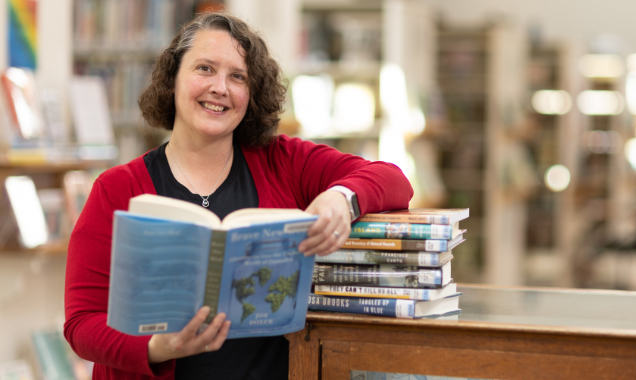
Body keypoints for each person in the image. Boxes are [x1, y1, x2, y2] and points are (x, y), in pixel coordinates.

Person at [63, 12, 412, 380]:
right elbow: (81, 324)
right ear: (173, 80)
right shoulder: (116, 188)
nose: (220, 88)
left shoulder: (284, 161)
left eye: (237, 76)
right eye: (204, 69)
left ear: (252, 93)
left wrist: (343, 198)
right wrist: (156, 348)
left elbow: (394, 179)